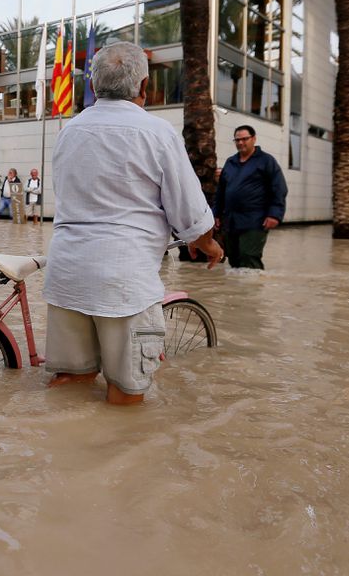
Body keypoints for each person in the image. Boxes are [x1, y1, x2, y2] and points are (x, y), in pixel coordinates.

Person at [43, 42, 222, 406]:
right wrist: (208, 244)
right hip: (123, 282)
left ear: (93, 86)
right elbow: (190, 211)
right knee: (125, 394)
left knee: (72, 382)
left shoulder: (69, 131)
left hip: (66, 274)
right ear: (144, 86)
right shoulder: (157, 132)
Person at [214, 124, 288, 269]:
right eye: (237, 140)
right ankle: (236, 291)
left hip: (255, 220)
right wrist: (216, 213)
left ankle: (252, 290)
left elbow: (279, 188)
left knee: (249, 256)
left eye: (244, 139)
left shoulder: (266, 161)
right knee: (233, 259)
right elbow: (221, 191)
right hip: (231, 221)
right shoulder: (230, 162)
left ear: (254, 139)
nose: (240, 142)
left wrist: (274, 215)